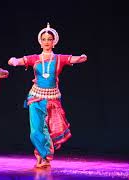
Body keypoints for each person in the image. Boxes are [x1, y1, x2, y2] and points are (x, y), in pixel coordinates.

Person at [8, 23, 87, 168]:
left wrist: (82, 57)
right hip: (36, 97)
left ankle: (44, 157)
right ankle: (43, 155)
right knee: (35, 131)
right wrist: (13, 61)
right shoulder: (34, 58)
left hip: (53, 99)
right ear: (40, 42)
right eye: (43, 39)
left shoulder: (59, 58)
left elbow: (73, 59)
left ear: (53, 42)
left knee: (50, 129)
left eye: (49, 39)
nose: (46, 42)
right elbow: (20, 61)